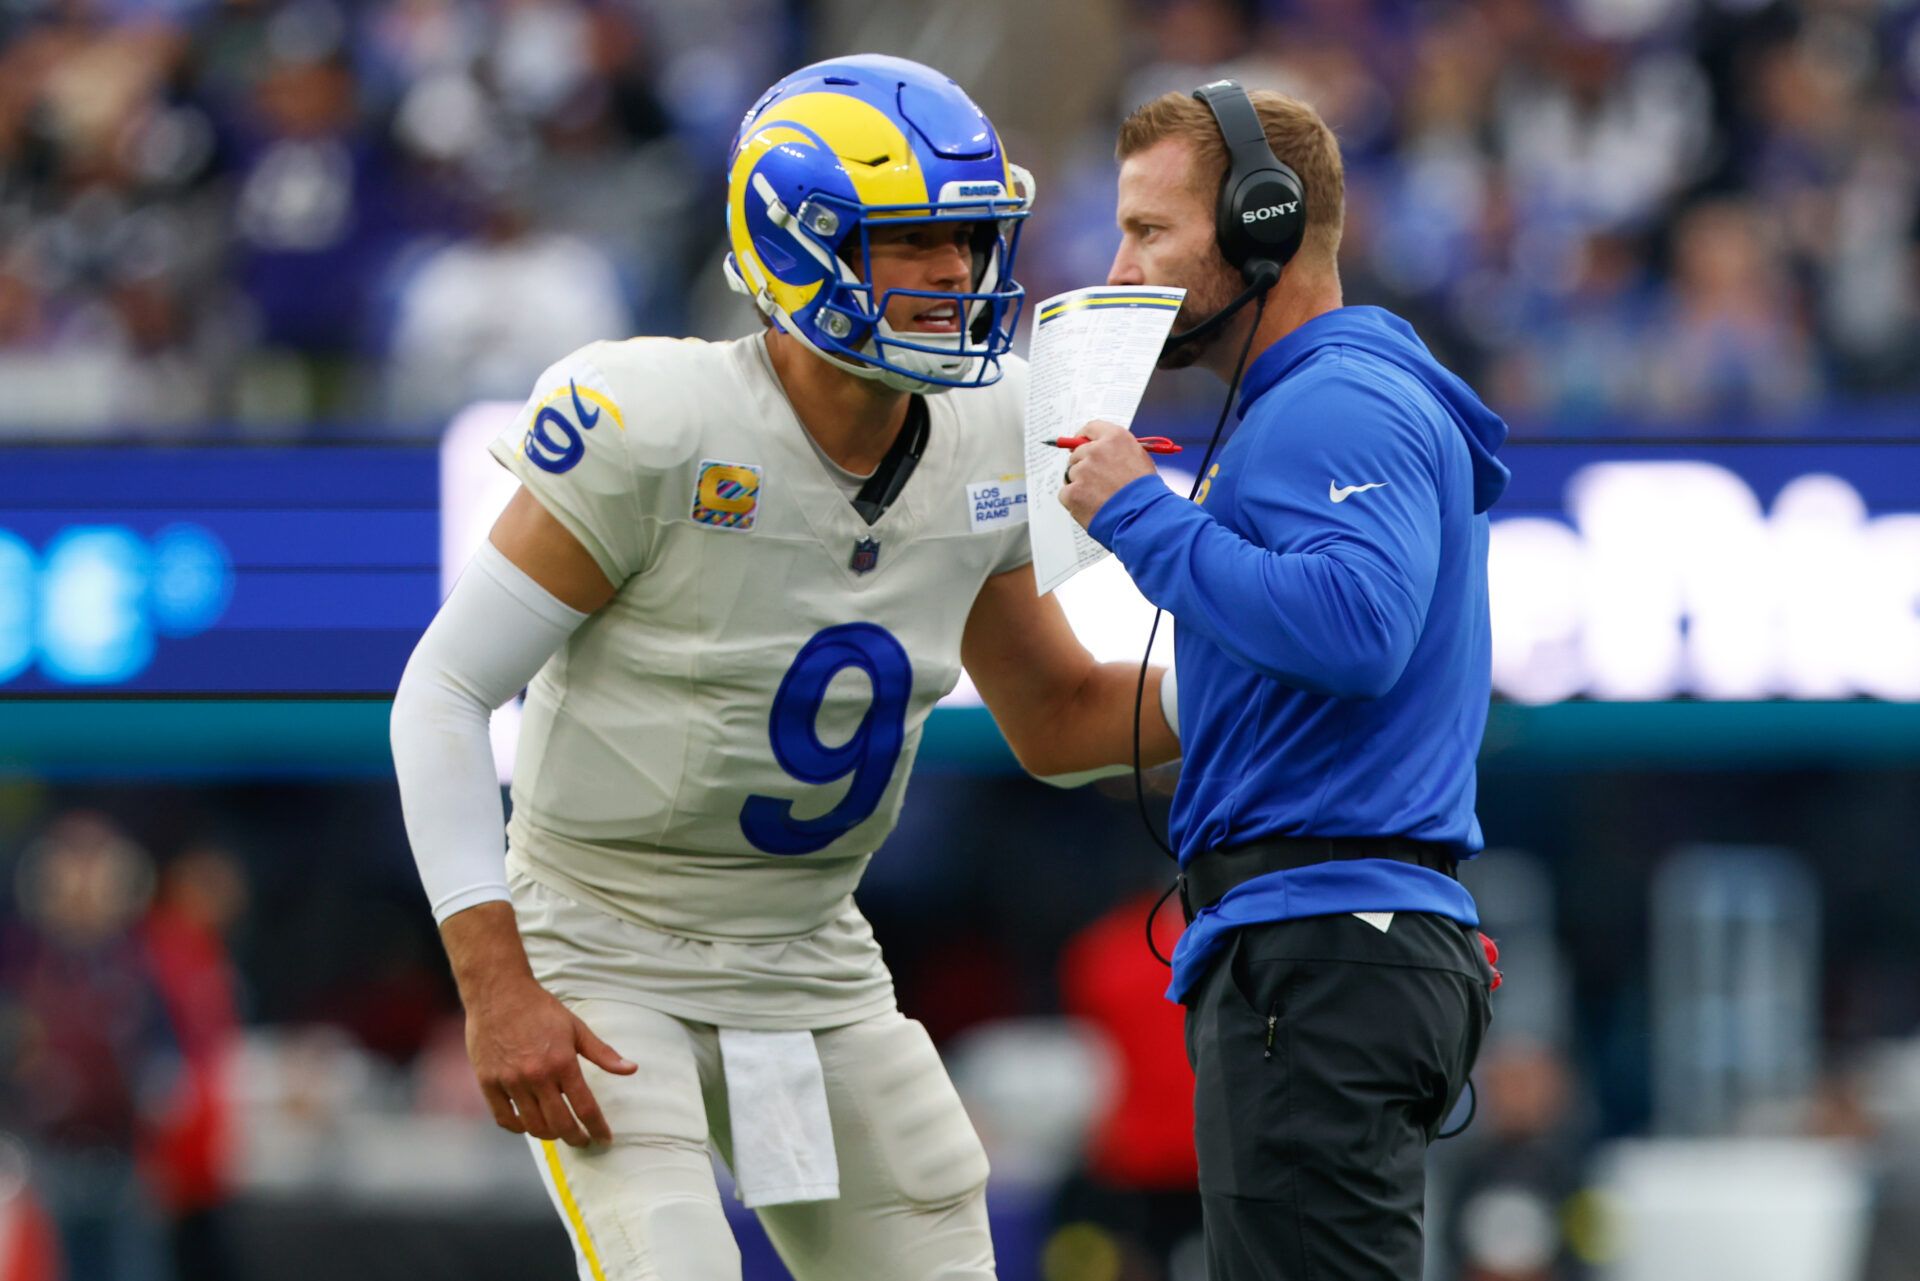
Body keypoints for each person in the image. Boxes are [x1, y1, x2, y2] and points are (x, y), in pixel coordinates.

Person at [389, 54, 1179, 1281]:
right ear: (800, 245)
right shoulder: (654, 422)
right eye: (913, 243)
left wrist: (1272, 695)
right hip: (605, 941)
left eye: (969, 242)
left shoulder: (994, 428)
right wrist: (496, 985)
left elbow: (1064, 716)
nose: (956, 276)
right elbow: (440, 694)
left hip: (812, 957)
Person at [1058, 82, 1509, 1279]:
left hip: (1322, 956)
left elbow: (1357, 629)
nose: (1123, 265)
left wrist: (1139, 517)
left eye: (1151, 231)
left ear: (1264, 223)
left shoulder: (1334, 402)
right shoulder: (1312, 405)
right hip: (1327, 954)